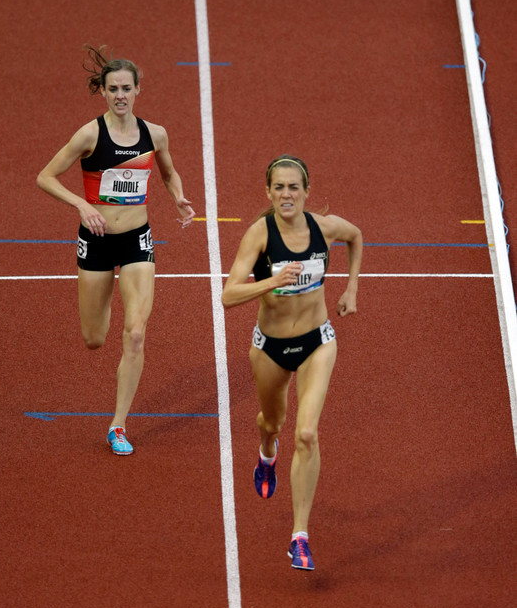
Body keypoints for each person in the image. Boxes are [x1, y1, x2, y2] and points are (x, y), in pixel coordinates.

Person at [37, 45, 195, 455]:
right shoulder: (90, 134)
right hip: (96, 243)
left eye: (127, 88)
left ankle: (118, 425)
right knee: (94, 338)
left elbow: (169, 171)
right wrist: (82, 204)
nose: (120, 95)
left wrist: (177, 196)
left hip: (138, 240)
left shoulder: (154, 134)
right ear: (103, 93)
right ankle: (104, 302)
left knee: (137, 333)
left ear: (138, 90)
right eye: (113, 89)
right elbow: (46, 176)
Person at [221, 154, 362, 570]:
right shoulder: (258, 235)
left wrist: (352, 289)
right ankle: (267, 453)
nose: (286, 194)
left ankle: (299, 535)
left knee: (307, 434)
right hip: (270, 348)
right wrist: (272, 281)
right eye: (278, 187)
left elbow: (356, 237)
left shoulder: (325, 227)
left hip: (318, 340)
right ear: (268, 192)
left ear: (306, 191)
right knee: (272, 423)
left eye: (293, 187)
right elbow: (228, 296)